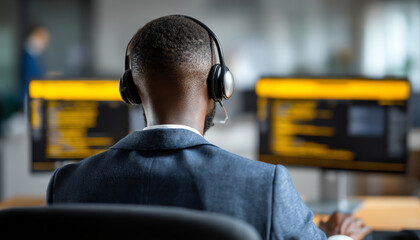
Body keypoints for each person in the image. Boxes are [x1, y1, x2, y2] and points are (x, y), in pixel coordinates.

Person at [46, 15, 370, 240]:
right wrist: (338, 235)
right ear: (219, 88)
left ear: (130, 90)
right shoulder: (264, 186)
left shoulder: (67, 185)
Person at [20, 25, 50, 107]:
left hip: (32, 96)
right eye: (43, 37)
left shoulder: (34, 55)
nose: (45, 41)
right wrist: (47, 76)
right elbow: (33, 76)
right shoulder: (29, 53)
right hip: (29, 97)